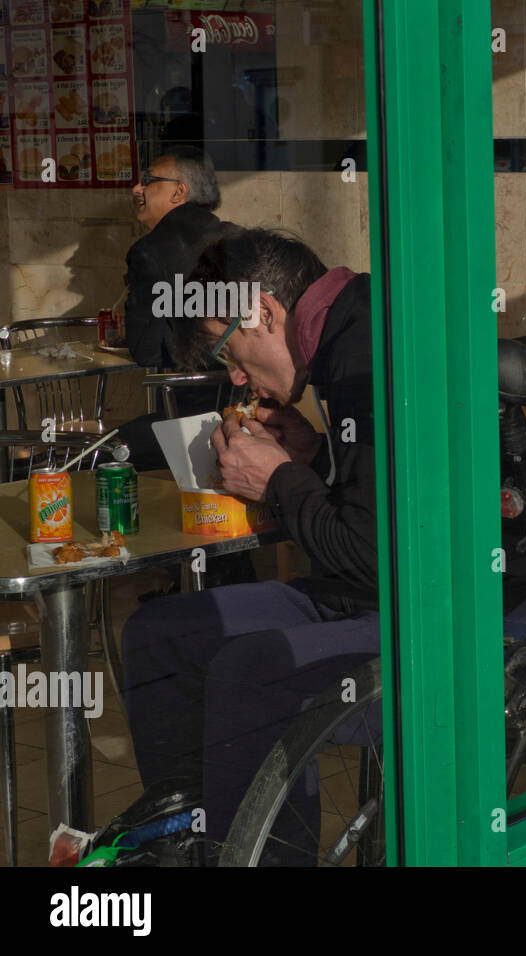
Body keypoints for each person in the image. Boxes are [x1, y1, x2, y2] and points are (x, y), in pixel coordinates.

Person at [118, 227, 379, 863]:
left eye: (227, 352)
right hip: (372, 593)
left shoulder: (365, 349)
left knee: (251, 670)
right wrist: (312, 460)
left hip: (454, 615)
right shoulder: (341, 333)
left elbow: (374, 552)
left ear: (261, 310)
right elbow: (378, 509)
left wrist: (280, 480)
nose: (236, 376)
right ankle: (190, 844)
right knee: (162, 636)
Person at [117, 146, 226, 471]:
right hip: (238, 416)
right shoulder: (235, 236)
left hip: (184, 421)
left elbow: (145, 352)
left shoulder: (148, 252)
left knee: (97, 453)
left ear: (180, 191)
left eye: (148, 180)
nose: (136, 189)